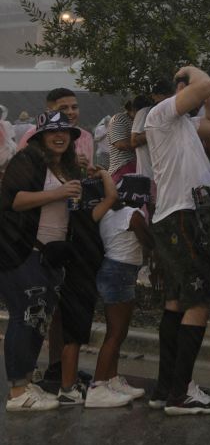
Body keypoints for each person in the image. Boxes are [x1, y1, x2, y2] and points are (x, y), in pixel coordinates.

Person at [2, 111, 115, 407]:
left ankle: (26, 382)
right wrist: (58, 193)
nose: (60, 136)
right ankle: (16, 392)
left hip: (51, 257)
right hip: (23, 252)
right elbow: (14, 200)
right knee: (23, 318)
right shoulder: (27, 160)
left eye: (66, 132)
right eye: (53, 132)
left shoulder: (65, 168)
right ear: (40, 136)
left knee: (38, 321)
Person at [144, 66, 210, 414]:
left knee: (177, 302)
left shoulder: (187, 126)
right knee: (199, 299)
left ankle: (166, 388)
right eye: (190, 90)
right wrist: (193, 73)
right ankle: (182, 392)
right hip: (181, 216)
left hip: (179, 216)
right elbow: (205, 82)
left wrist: (205, 93)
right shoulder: (161, 114)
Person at [86, 174, 152, 408]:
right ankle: (98, 386)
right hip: (119, 272)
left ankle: (111, 380)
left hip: (113, 271)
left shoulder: (109, 214)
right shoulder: (132, 215)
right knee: (115, 334)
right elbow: (148, 239)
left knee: (118, 332)